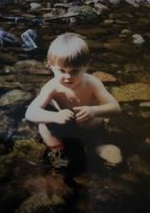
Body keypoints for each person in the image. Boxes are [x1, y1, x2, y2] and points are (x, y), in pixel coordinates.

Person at [25, 32, 122, 168]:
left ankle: (96, 150)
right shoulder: (52, 86)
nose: (68, 76)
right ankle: (56, 146)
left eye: (75, 71)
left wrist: (94, 110)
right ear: (50, 65)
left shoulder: (92, 83)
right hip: (64, 125)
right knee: (45, 125)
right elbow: (30, 113)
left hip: (91, 129)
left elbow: (116, 108)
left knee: (115, 157)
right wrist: (55, 116)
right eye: (62, 70)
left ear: (86, 66)